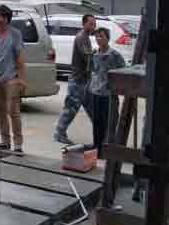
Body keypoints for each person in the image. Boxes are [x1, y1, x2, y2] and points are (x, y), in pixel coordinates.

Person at [0, 4, 28, 153]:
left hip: (11, 79)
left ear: (8, 19)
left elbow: (20, 58)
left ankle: (18, 144)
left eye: (4, 16)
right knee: (0, 112)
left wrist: (22, 79)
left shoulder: (15, 34)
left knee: (13, 112)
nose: (1, 19)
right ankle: (5, 141)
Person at [53, 13, 96, 145]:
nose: (93, 26)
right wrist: (96, 56)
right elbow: (87, 57)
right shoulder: (81, 37)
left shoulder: (86, 37)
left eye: (94, 24)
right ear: (84, 24)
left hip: (85, 80)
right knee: (71, 109)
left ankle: (101, 134)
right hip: (78, 80)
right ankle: (59, 132)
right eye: (91, 24)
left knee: (93, 109)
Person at [89, 27, 125, 155]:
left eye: (101, 36)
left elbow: (123, 71)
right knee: (97, 123)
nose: (99, 39)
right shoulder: (94, 54)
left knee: (109, 123)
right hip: (96, 93)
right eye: (97, 36)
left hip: (109, 95)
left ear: (107, 39)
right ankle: (97, 149)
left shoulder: (115, 55)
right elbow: (93, 71)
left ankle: (108, 149)